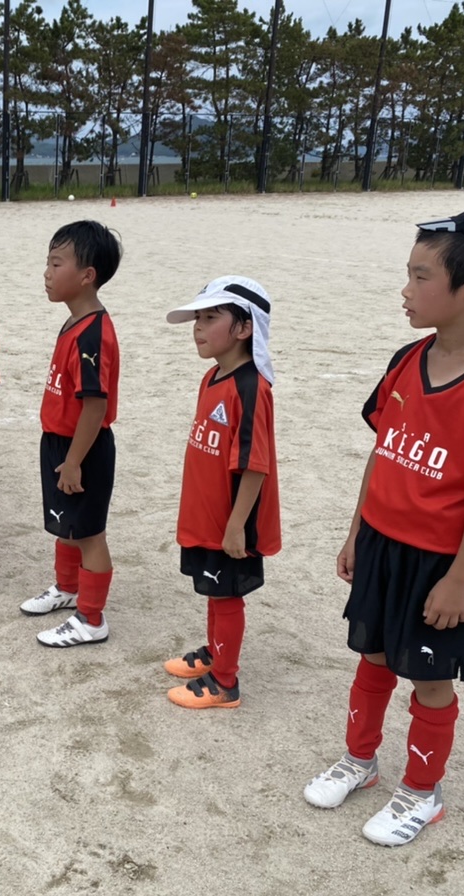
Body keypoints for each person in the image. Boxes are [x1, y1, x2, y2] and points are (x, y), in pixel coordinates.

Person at [303, 210, 464, 847]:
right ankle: (360, 760)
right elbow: (383, 450)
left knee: (430, 679)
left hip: (439, 561)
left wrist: (461, 577)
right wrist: (357, 531)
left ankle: (422, 791)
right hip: (382, 542)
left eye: (420, 276)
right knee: (373, 656)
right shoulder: (407, 357)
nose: (405, 290)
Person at [162, 276, 280, 708]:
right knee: (214, 589)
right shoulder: (213, 375)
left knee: (227, 594)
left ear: (245, 328)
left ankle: (225, 683)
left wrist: (236, 526)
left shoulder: (251, 388)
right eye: (198, 318)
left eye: (211, 317)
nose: (198, 327)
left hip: (232, 519)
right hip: (208, 513)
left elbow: (254, 465)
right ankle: (216, 653)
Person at [20, 221, 123, 648]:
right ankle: (67, 588)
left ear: (87, 275)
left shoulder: (93, 334)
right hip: (61, 442)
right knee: (67, 524)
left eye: (56, 263)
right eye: (47, 262)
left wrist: (75, 461)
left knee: (90, 533)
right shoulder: (74, 321)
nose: (46, 273)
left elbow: (95, 405)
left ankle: (91, 619)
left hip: (84, 447)